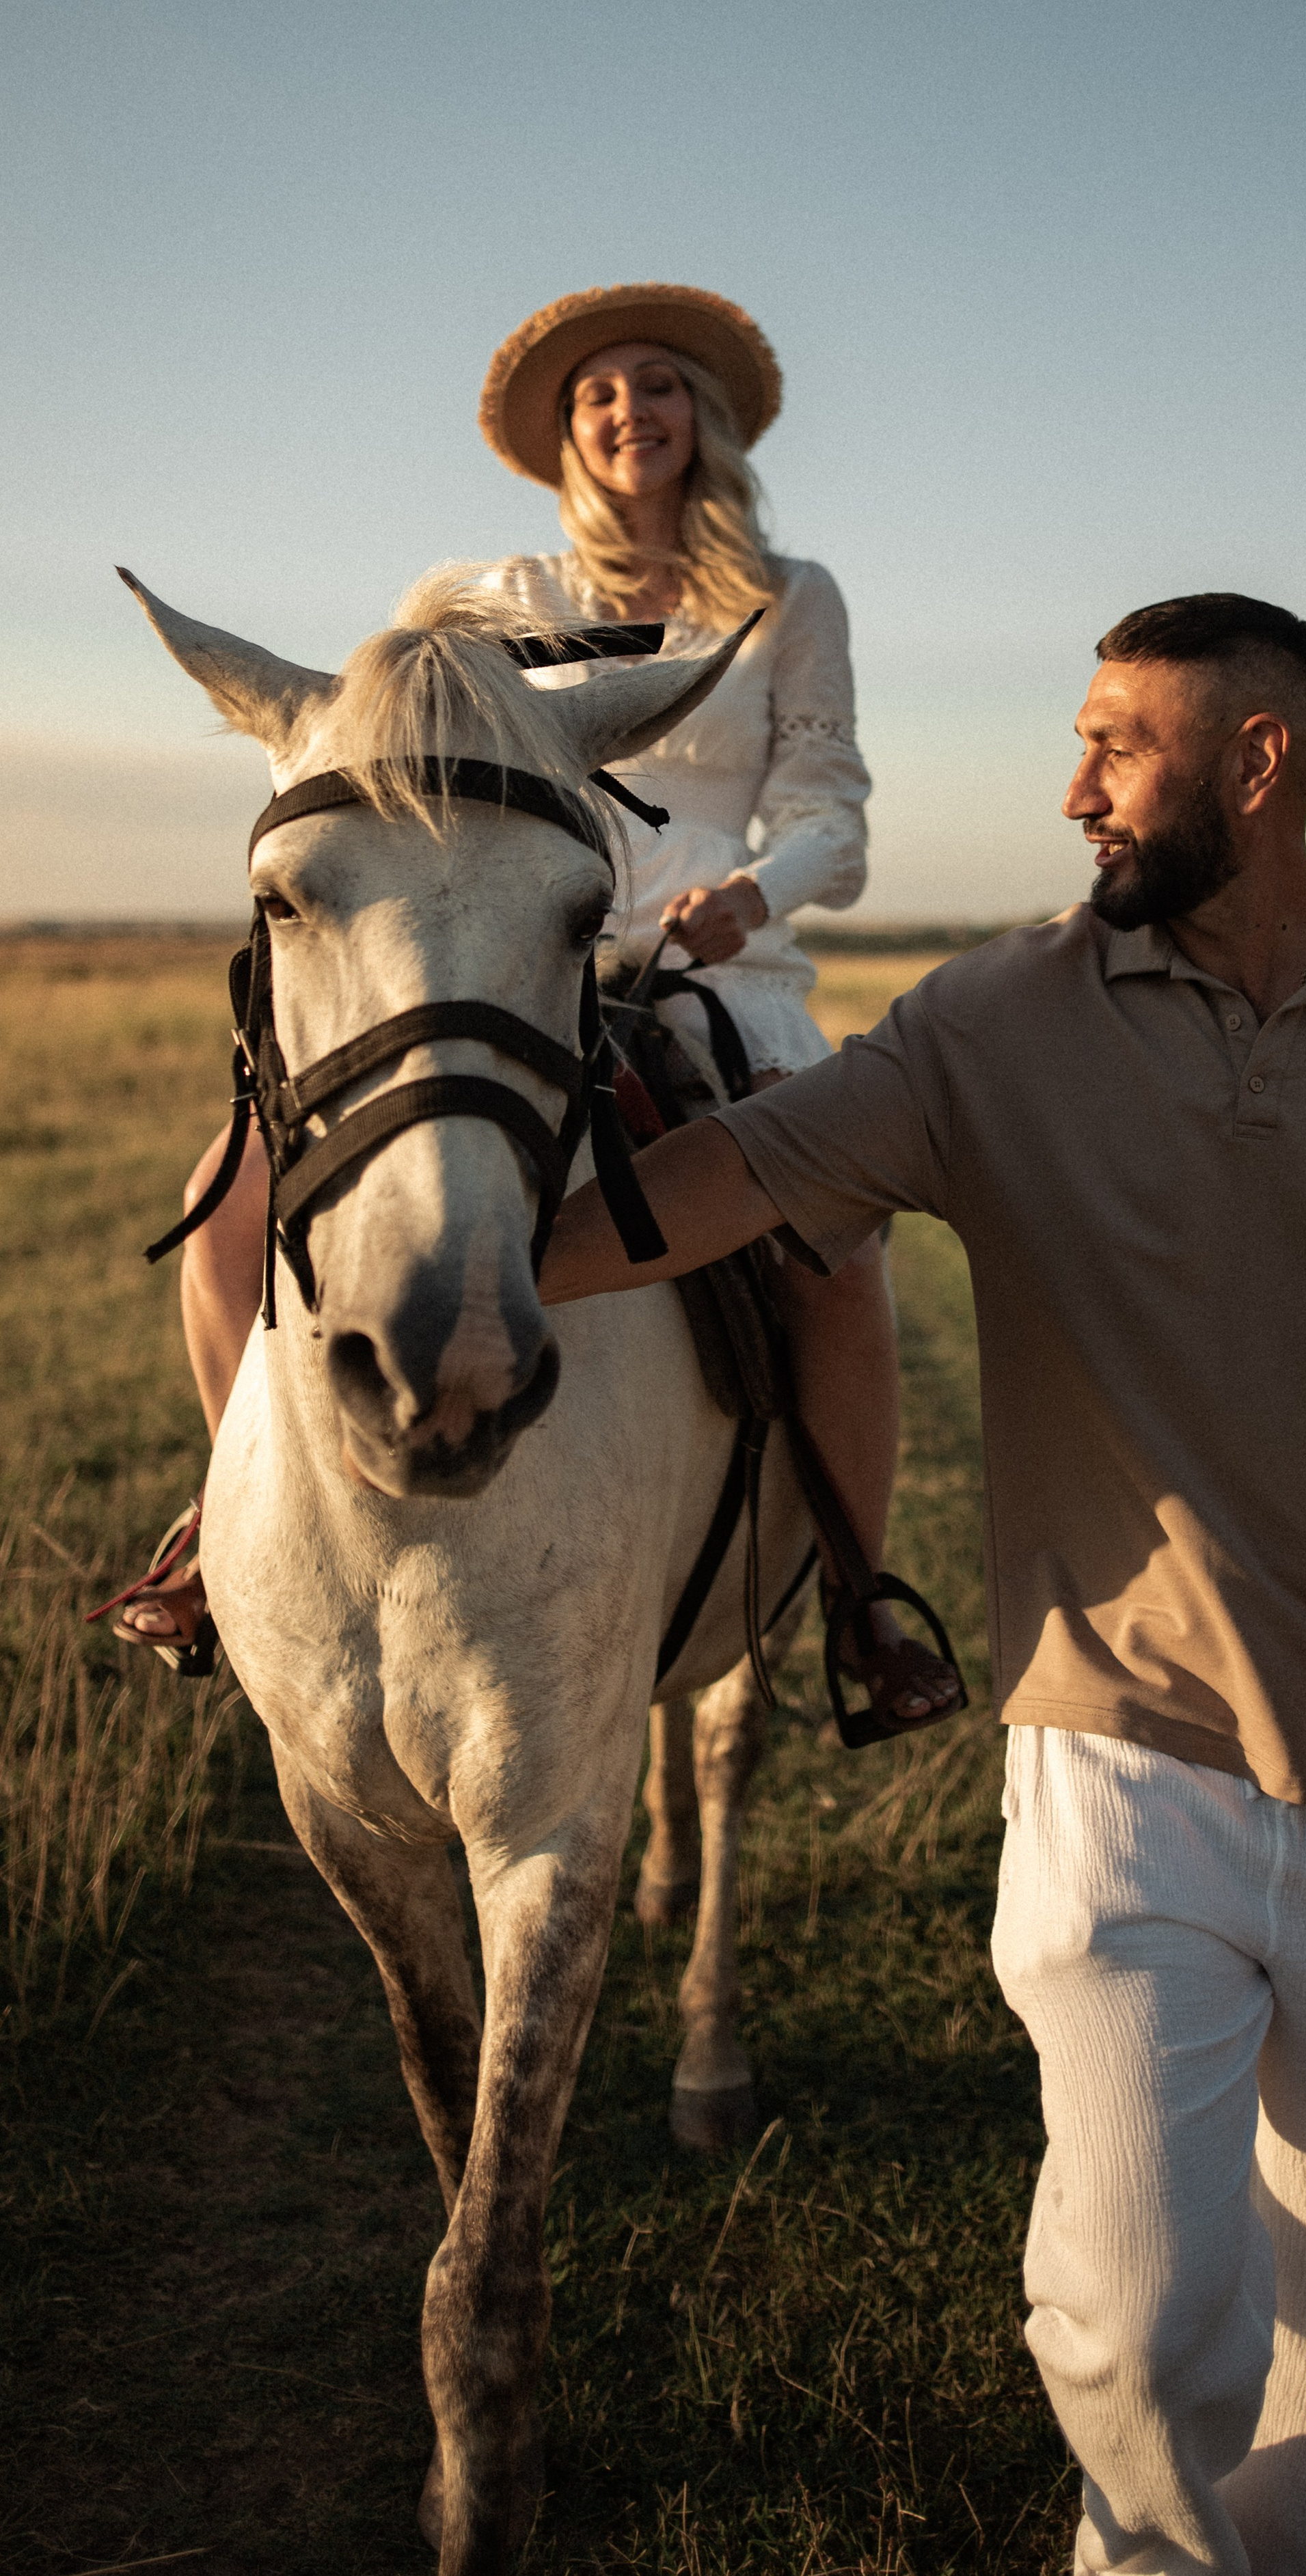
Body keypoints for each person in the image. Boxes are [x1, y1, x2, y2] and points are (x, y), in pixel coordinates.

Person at [523, 591, 1306, 2576]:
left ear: (1259, 763)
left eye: (1115, 744)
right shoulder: (997, 1023)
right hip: (1120, 1768)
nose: (1071, 786)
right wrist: (440, 1264)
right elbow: (727, 1181)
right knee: (1136, 2307)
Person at [108, 280, 960, 1734]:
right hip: (510, 965)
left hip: (717, 972)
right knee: (226, 1202)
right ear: (568, 436)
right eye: (598, 394)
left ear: (702, 415)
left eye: (658, 384)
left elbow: (833, 812)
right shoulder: (494, 596)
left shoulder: (792, 595)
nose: (631, 412)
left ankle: (856, 1600)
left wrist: (752, 893)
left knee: (834, 1244)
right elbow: (394, 771)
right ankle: (224, 1531)